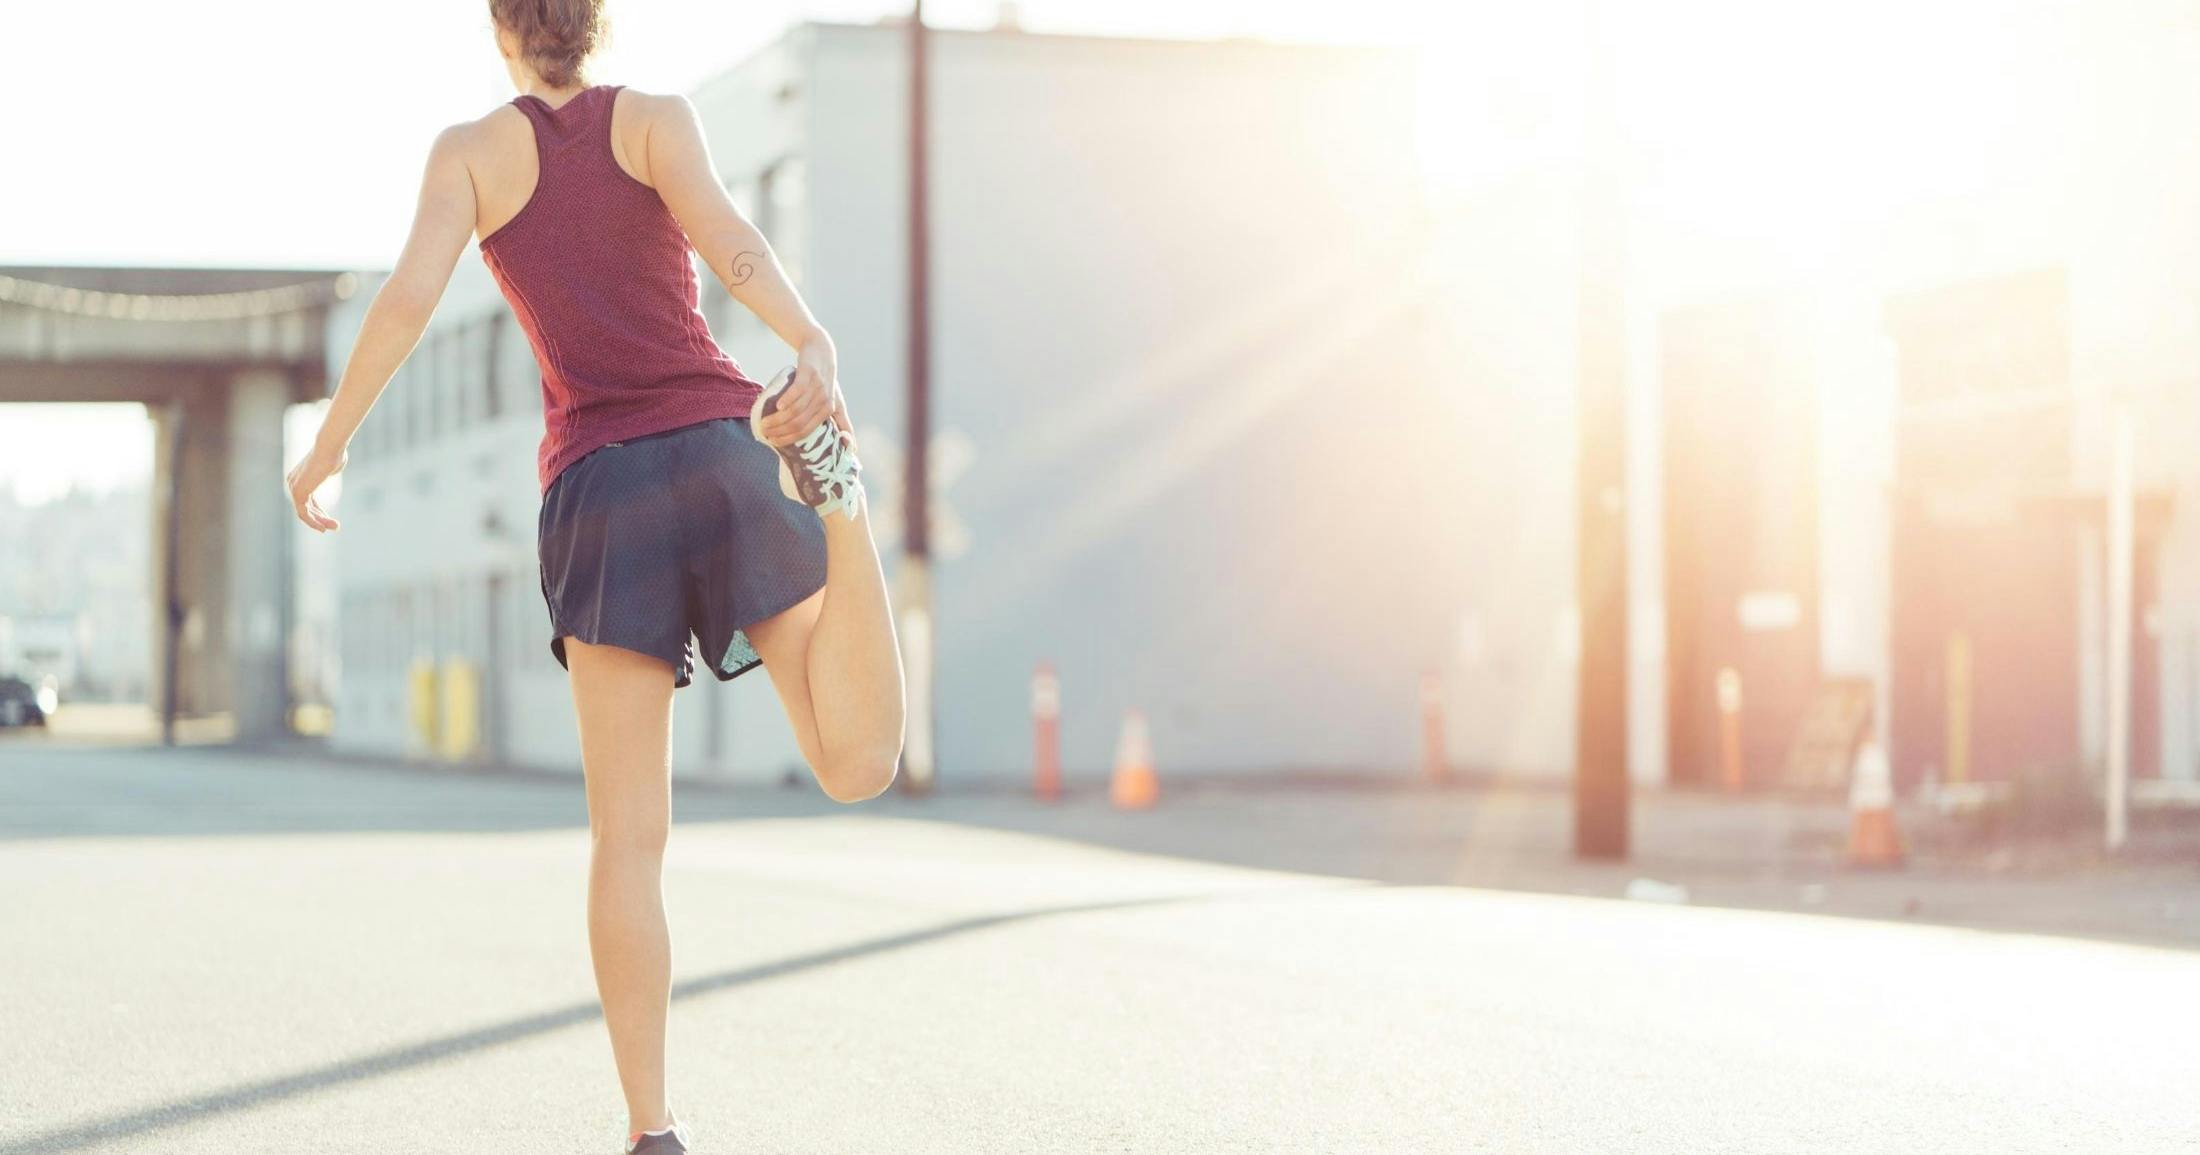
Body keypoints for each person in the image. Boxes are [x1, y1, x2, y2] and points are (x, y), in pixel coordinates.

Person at [283, 3, 909, 1150]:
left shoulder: (472, 154)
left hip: (602, 490)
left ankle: (651, 1128)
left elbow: (408, 298)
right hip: (723, 450)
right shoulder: (656, 121)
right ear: (597, 23)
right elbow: (729, 239)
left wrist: (328, 445)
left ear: (502, 31)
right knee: (853, 761)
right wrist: (808, 338)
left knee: (628, 841)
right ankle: (844, 505)